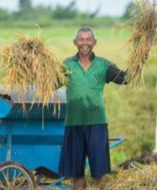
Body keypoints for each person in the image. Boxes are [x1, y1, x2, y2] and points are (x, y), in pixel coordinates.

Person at [59, 27, 127, 190]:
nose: (85, 43)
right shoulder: (66, 66)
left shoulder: (104, 65)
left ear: (94, 42)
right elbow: (50, 83)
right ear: (75, 42)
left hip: (97, 123)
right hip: (73, 124)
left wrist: (141, 59)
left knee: (99, 174)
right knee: (77, 175)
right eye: (81, 39)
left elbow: (124, 78)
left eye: (88, 39)